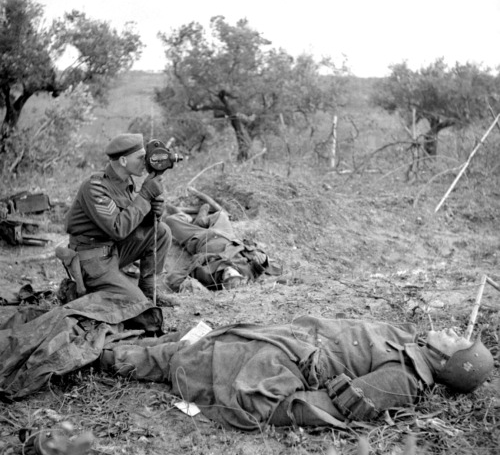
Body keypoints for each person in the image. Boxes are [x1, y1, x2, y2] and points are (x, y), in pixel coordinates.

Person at [100, 315, 494, 431]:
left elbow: (333, 408)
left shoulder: (404, 378)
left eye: (457, 339)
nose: (451, 332)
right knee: (200, 342)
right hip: (286, 339)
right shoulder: (415, 344)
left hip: (280, 363)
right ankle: (113, 348)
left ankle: (103, 359)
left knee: (190, 362)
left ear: (446, 361)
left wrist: (271, 403)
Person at [64, 133, 173, 306]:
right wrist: (144, 195)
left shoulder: (126, 183)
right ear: (123, 161)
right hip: (92, 259)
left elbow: (131, 219)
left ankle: (148, 290)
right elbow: (117, 228)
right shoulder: (94, 187)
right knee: (136, 304)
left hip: (114, 250)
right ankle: (79, 291)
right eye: (140, 157)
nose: (145, 162)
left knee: (161, 232)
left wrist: (152, 214)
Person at [163, 204, 281, 290]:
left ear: (222, 282)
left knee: (170, 221)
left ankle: (188, 219)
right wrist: (263, 259)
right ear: (240, 275)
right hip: (225, 234)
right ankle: (201, 220)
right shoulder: (247, 272)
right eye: (233, 274)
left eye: (227, 276)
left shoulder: (208, 277)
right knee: (221, 215)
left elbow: (190, 267)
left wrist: (210, 257)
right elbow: (261, 267)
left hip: (199, 238)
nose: (229, 272)